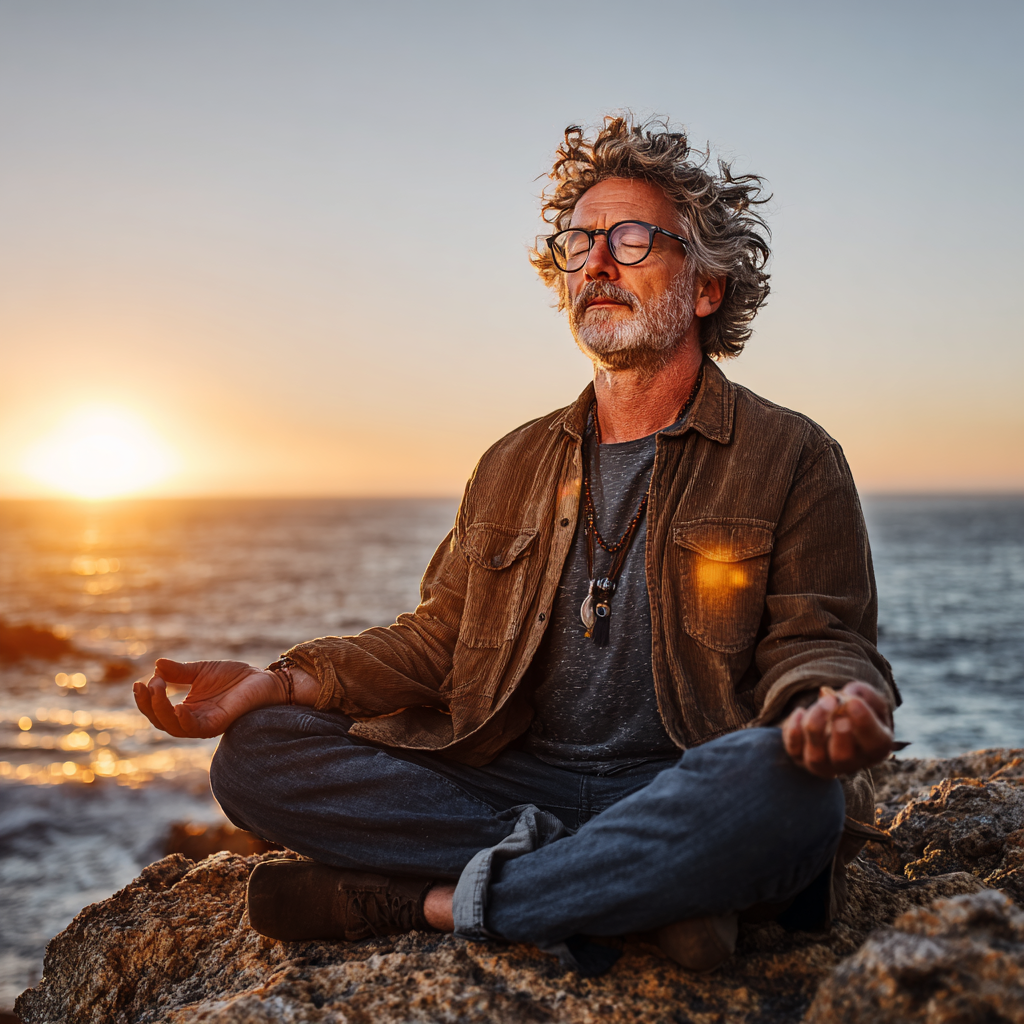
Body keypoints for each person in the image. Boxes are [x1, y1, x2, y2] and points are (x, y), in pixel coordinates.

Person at [134, 116, 897, 976]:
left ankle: (435, 903)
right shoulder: (511, 463)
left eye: (632, 240)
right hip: (515, 782)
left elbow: (822, 639)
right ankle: (643, 892)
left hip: (683, 779)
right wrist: (278, 682)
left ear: (706, 288)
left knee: (789, 793)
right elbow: (439, 640)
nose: (597, 262)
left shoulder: (792, 455)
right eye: (579, 242)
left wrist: (827, 708)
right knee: (256, 756)